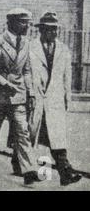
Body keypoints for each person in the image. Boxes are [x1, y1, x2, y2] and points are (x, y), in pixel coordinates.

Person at [0, 8, 41, 186]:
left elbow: (27, 70)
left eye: (29, 22)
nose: (28, 26)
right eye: (24, 22)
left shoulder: (26, 43)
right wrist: (5, 83)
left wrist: (31, 92)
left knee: (22, 131)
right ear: (12, 22)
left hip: (18, 96)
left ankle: (28, 170)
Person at [29, 11, 82, 186]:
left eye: (56, 29)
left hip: (55, 101)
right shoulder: (31, 47)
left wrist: (68, 98)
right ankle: (26, 169)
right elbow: (27, 74)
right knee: (34, 138)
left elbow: (67, 76)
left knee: (55, 138)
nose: (54, 33)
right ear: (42, 30)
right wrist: (30, 93)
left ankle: (65, 174)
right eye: (50, 30)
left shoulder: (63, 49)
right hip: (37, 99)